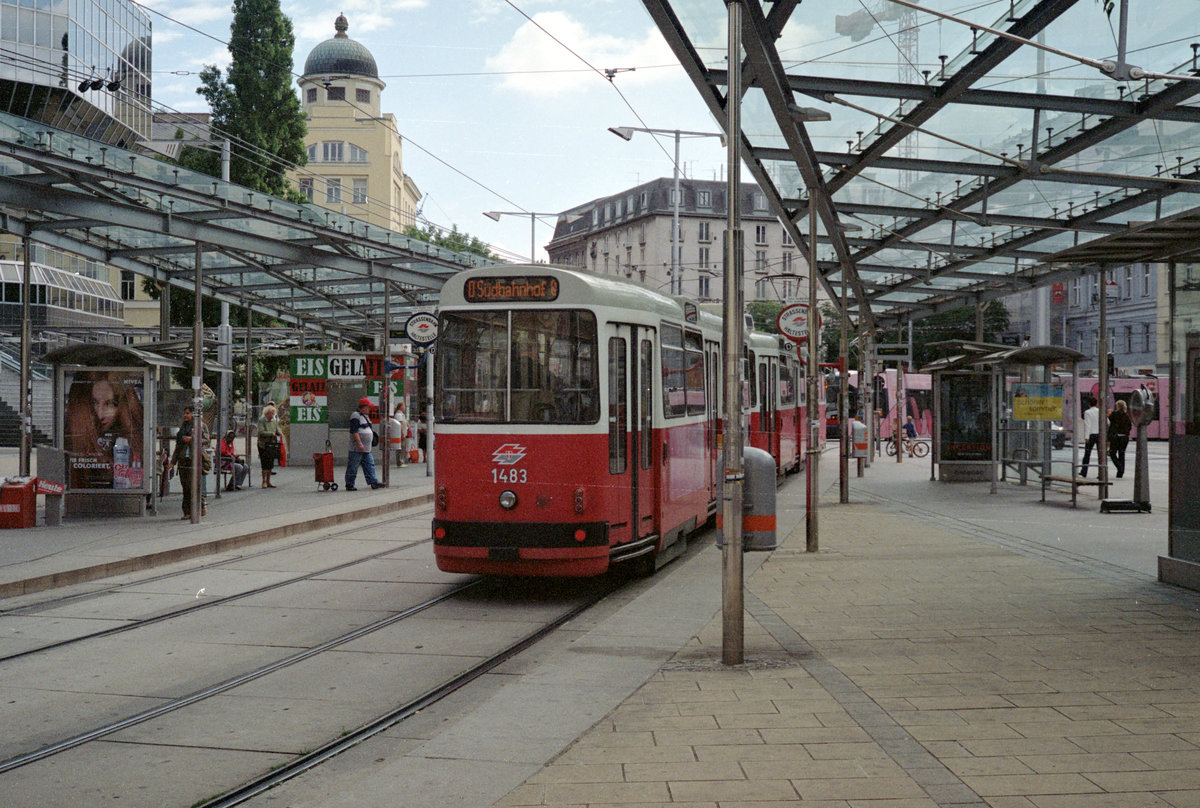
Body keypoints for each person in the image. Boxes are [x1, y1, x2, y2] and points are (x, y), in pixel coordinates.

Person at [65, 372, 145, 489]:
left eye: (111, 404)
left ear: (123, 406)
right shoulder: (73, 440)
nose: (100, 414)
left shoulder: (128, 442)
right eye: (94, 402)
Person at [170, 406, 207, 519]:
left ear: (193, 414)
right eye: (184, 413)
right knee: (185, 486)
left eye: (187, 413)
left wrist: (192, 439)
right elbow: (178, 446)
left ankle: (199, 506)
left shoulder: (200, 426)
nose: (185, 415)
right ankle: (187, 512)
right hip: (183, 460)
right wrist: (173, 462)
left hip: (194, 460)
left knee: (193, 485)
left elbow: (206, 440)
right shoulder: (183, 428)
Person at [346, 396, 383, 491]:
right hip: (357, 448)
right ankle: (349, 484)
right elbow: (354, 431)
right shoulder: (355, 416)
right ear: (364, 407)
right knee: (353, 466)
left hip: (366, 448)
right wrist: (359, 444)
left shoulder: (365, 416)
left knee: (369, 464)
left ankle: (373, 481)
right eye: (368, 408)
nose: (370, 410)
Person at [256, 403, 282, 489]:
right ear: (267, 413)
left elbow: (277, 430)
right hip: (263, 444)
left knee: (271, 462)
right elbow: (261, 432)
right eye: (271, 413)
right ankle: (263, 481)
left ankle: (269, 481)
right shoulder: (262, 420)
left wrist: (279, 433)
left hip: (271, 444)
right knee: (264, 463)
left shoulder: (273, 421)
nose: (272, 415)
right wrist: (271, 434)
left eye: (273, 413)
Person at [1108, 399, 1132, 478]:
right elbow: (1129, 427)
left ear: (1118, 406)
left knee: (1112, 453)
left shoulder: (1114, 414)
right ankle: (1120, 473)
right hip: (1124, 437)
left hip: (1116, 437)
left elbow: (1110, 423)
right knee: (1122, 454)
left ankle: (1119, 468)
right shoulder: (1127, 415)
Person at [1078, 397, 1102, 477]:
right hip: (1099, 435)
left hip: (1091, 435)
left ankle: (1084, 471)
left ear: (1089, 404)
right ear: (1096, 403)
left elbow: (1088, 425)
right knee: (1100, 455)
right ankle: (1101, 473)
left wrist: (1086, 436)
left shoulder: (1087, 412)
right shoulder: (1100, 411)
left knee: (1087, 454)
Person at [389, 401, 409, 468]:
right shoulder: (399, 415)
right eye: (403, 406)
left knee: (402, 447)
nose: (404, 408)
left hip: (402, 433)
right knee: (400, 448)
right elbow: (399, 425)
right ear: (400, 407)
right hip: (400, 434)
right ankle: (399, 461)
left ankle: (401, 461)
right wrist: (402, 434)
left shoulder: (401, 414)